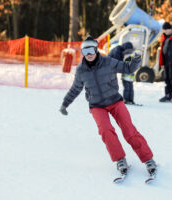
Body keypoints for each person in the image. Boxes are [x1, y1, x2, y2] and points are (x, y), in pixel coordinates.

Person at [59, 36, 157, 177]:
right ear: (82, 53)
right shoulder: (81, 70)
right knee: (106, 130)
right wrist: (65, 104)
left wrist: (136, 59)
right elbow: (75, 89)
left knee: (129, 130)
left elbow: (128, 68)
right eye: (85, 51)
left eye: (91, 49)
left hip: (115, 101)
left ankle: (148, 159)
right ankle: (120, 160)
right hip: (97, 105)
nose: (89, 54)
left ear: (96, 49)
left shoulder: (108, 62)